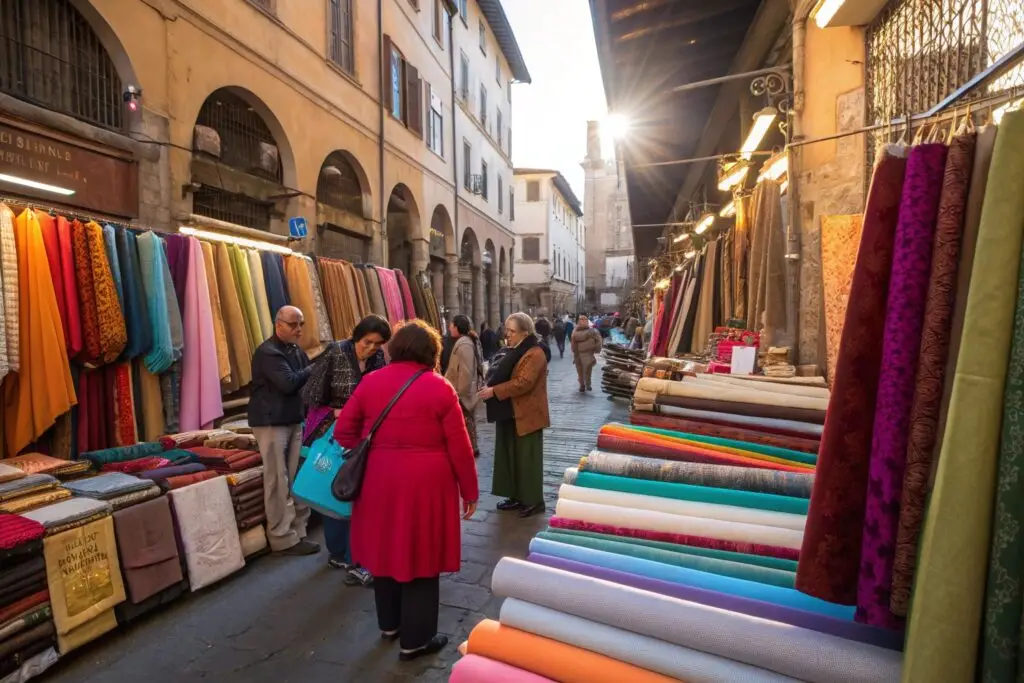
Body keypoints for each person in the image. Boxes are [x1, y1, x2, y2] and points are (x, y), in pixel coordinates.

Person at [334, 321, 478, 661]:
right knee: (422, 555)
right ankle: (416, 639)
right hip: (428, 483)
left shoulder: (371, 382)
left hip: (378, 480)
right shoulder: (439, 388)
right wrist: (469, 492)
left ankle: (390, 625)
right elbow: (460, 447)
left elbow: (343, 432)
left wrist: (377, 450)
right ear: (431, 352)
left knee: (385, 550)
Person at [302, 314, 391, 585]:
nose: (372, 348)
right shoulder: (336, 352)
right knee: (334, 489)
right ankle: (338, 551)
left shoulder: (377, 359)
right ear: (356, 336)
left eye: (378, 344)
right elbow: (311, 394)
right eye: (367, 342)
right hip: (334, 433)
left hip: (364, 436)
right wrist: (337, 411)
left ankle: (357, 553)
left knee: (357, 492)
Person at [249, 305, 318, 556]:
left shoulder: (293, 350)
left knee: (295, 476)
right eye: (293, 324)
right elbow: (288, 383)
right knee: (278, 479)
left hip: (291, 419)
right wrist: (316, 366)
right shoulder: (268, 352)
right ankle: (281, 537)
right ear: (278, 324)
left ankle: (298, 531)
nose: (299, 329)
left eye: (301, 324)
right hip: (271, 423)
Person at [478, 312, 550, 518]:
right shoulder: (515, 349)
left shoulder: (535, 353)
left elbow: (524, 382)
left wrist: (494, 391)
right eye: (506, 330)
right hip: (509, 411)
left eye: (512, 331)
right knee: (510, 456)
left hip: (527, 413)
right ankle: (516, 496)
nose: (507, 335)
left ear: (525, 332)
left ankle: (533, 500)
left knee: (527, 459)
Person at [445, 315, 484, 458]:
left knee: (466, 423)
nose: (449, 328)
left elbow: (466, 372)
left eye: (451, 325)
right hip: (461, 392)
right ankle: (469, 448)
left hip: (461, 393)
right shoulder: (465, 341)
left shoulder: (464, 344)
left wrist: (459, 393)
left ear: (457, 327)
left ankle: (471, 449)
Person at [571, 314, 603, 393]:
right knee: (587, 370)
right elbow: (599, 341)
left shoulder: (575, 331)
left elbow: (573, 343)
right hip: (587, 353)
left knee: (580, 371)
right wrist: (596, 349)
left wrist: (574, 351)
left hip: (578, 354)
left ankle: (582, 385)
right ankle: (587, 384)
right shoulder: (592, 331)